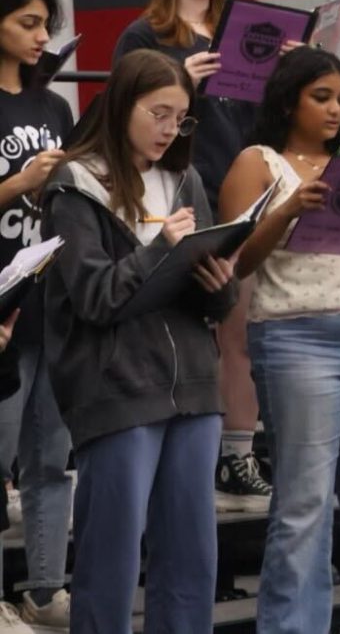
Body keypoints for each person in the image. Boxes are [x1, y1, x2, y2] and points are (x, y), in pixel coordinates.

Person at [40, 48, 238, 633]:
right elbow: (95, 297)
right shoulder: (75, 183)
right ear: (124, 104)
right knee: (112, 561)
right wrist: (160, 252)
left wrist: (219, 282)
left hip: (195, 391)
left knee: (191, 560)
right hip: (118, 392)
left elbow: (215, 303)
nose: (170, 129)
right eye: (159, 113)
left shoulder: (185, 179)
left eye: (181, 117)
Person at [219, 47, 340, 633]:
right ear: (288, 99)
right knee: (303, 508)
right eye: (321, 97)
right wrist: (287, 210)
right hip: (295, 336)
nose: (334, 109)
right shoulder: (259, 161)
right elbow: (236, 260)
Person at [111, 0, 272, 513]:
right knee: (181, 325)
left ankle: (238, 452)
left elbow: (262, 119)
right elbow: (124, 111)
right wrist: (185, 84)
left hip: (240, 185)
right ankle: (181, 450)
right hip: (176, 190)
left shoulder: (240, 30)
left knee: (239, 325)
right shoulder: (145, 35)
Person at [0, 0, 75, 632]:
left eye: (45, 23)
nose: (41, 35)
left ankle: (45, 587)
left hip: (51, 300)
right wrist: (16, 182)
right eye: (27, 22)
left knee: (52, 458)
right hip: (1, 307)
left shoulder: (53, 106)